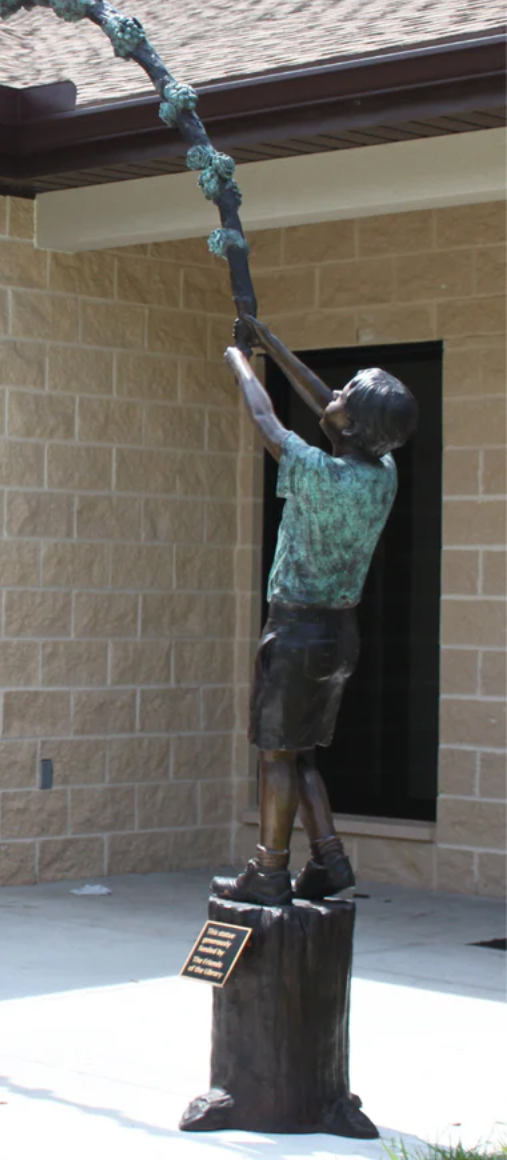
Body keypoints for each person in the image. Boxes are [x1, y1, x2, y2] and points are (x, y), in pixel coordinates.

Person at [213, 315, 418, 906]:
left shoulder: (318, 474)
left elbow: (265, 420)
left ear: (351, 425)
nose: (333, 394)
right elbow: (327, 404)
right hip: (339, 635)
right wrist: (269, 343)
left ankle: (269, 869)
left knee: (275, 752)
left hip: (296, 630)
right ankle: (329, 859)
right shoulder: (382, 471)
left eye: (345, 395)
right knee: (298, 750)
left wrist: (238, 360)